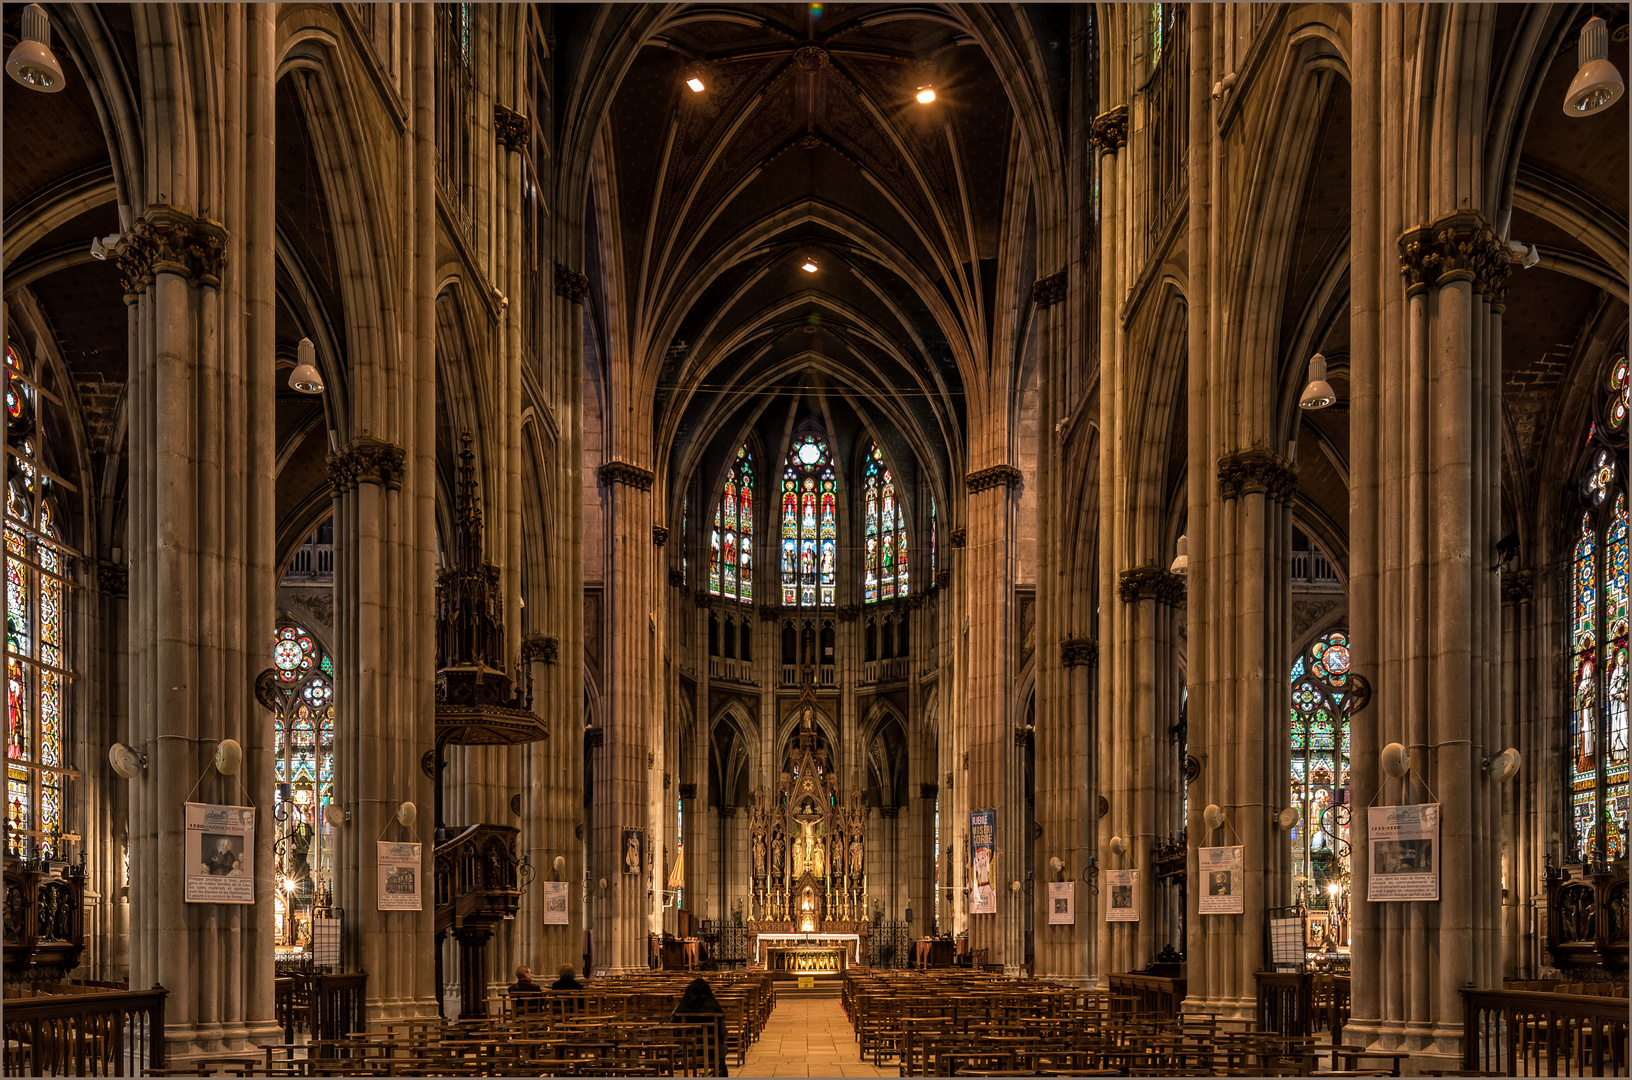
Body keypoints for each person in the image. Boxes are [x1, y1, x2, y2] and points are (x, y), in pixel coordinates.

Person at [671, 976, 729, 1077]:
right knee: (722, 1049)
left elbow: (674, 1032)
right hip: (711, 1051)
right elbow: (723, 1034)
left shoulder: (681, 1008)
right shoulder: (714, 1008)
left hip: (685, 1051)